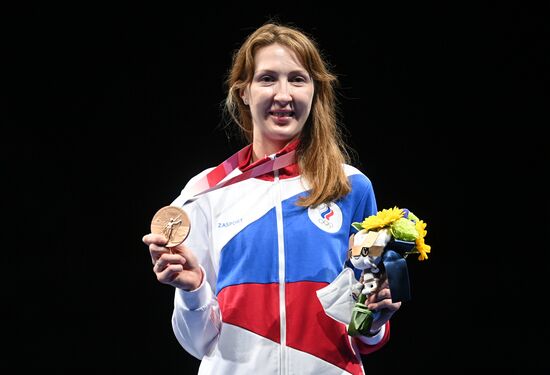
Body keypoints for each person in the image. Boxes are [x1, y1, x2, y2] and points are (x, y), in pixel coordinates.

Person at [142, 22, 401, 375]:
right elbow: (197, 343)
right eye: (267, 79)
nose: (283, 94)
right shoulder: (205, 193)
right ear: (243, 92)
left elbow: (364, 327)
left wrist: (373, 318)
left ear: (315, 92)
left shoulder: (350, 186)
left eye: (298, 79)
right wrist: (193, 290)